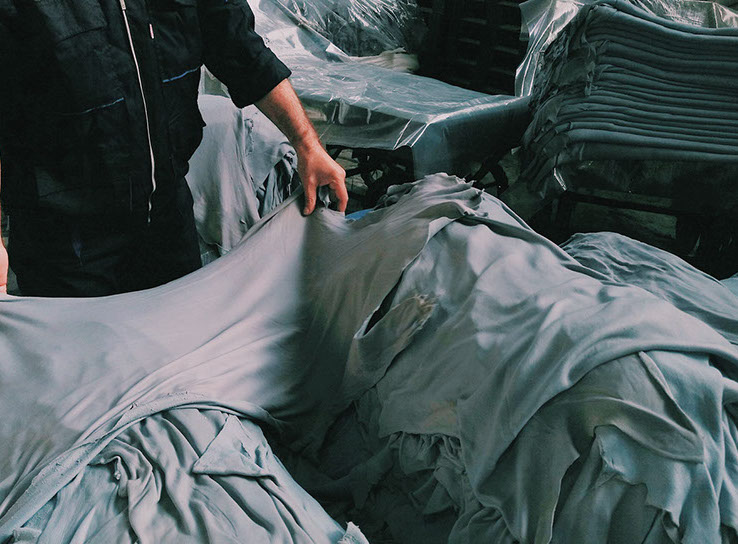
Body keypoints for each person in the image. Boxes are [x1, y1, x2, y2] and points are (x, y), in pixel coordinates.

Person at [0, 0, 347, 297]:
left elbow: (240, 48)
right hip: (66, 240)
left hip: (167, 217)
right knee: (83, 354)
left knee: (178, 343)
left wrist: (307, 145)